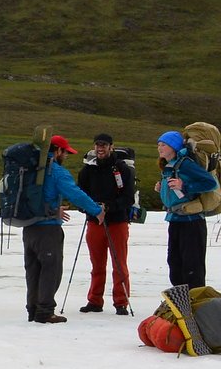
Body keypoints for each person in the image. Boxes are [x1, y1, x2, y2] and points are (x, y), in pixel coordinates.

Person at [23, 135, 105, 324]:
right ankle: (45, 311)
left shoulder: (29, 170)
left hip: (28, 226)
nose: (66, 156)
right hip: (48, 229)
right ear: (57, 151)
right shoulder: (56, 172)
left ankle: (32, 310)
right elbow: (74, 193)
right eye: (65, 152)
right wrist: (96, 210)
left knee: (33, 269)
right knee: (51, 269)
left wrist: (52, 209)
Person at [75, 132, 137, 314]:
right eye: (97, 145)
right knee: (97, 264)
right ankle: (95, 300)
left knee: (119, 263)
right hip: (95, 222)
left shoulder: (123, 169)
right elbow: (80, 196)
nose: (100, 148)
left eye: (104, 145)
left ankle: (121, 302)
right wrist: (91, 209)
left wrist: (107, 207)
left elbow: (128, 198)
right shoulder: (87, 170)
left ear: (111, 147)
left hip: (117, 221)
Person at [156, 129, 220, 288]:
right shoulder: (170, 165)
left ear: (173, 147)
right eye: (159, 144)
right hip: (175, 219)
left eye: (164, 144)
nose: (160, 148)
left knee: (192, 266)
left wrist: (184, 186)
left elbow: (210, 183)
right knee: (175, 263)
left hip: (191, 222)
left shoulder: (185, 164)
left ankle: (194, 305)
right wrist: (161, 187)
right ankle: (182, 303)